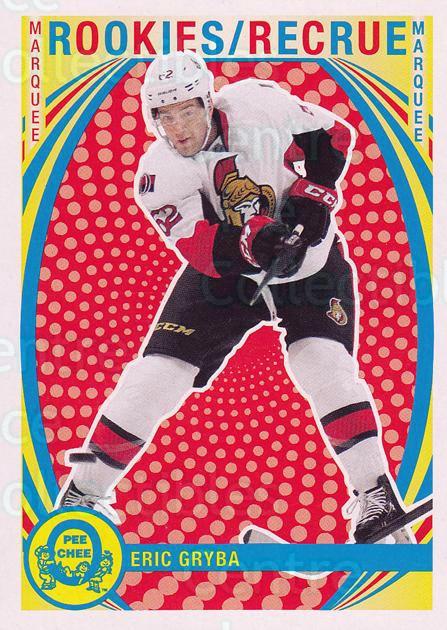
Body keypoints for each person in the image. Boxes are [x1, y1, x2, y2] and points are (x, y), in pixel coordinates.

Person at [57, 51, 413, 545]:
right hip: (225, 278)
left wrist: (312, 199)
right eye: (164, 115)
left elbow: (333, 137)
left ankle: (376, 496)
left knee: (323, 364)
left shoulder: (257, 102)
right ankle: (82, 497)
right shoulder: (156, 175)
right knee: (155, 376)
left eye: (187, 110)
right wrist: (253, 241)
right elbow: (201, 248)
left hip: (309, 267)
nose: (178, 127)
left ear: (208, 101)